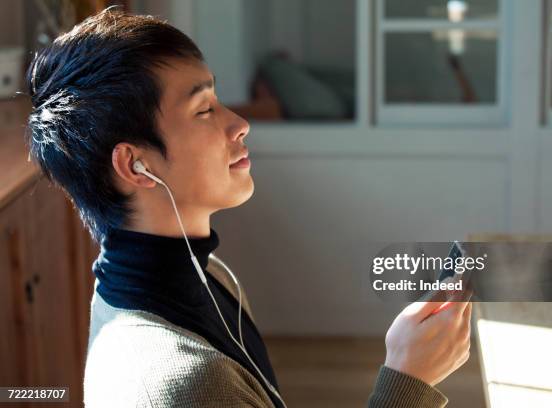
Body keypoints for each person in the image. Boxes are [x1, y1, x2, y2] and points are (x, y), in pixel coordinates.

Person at [25, 8, 471, 407]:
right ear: (135, 164)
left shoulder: (208, 276)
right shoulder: (187, 385)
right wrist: (409, 380)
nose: (239, 124)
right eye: (204, 110)